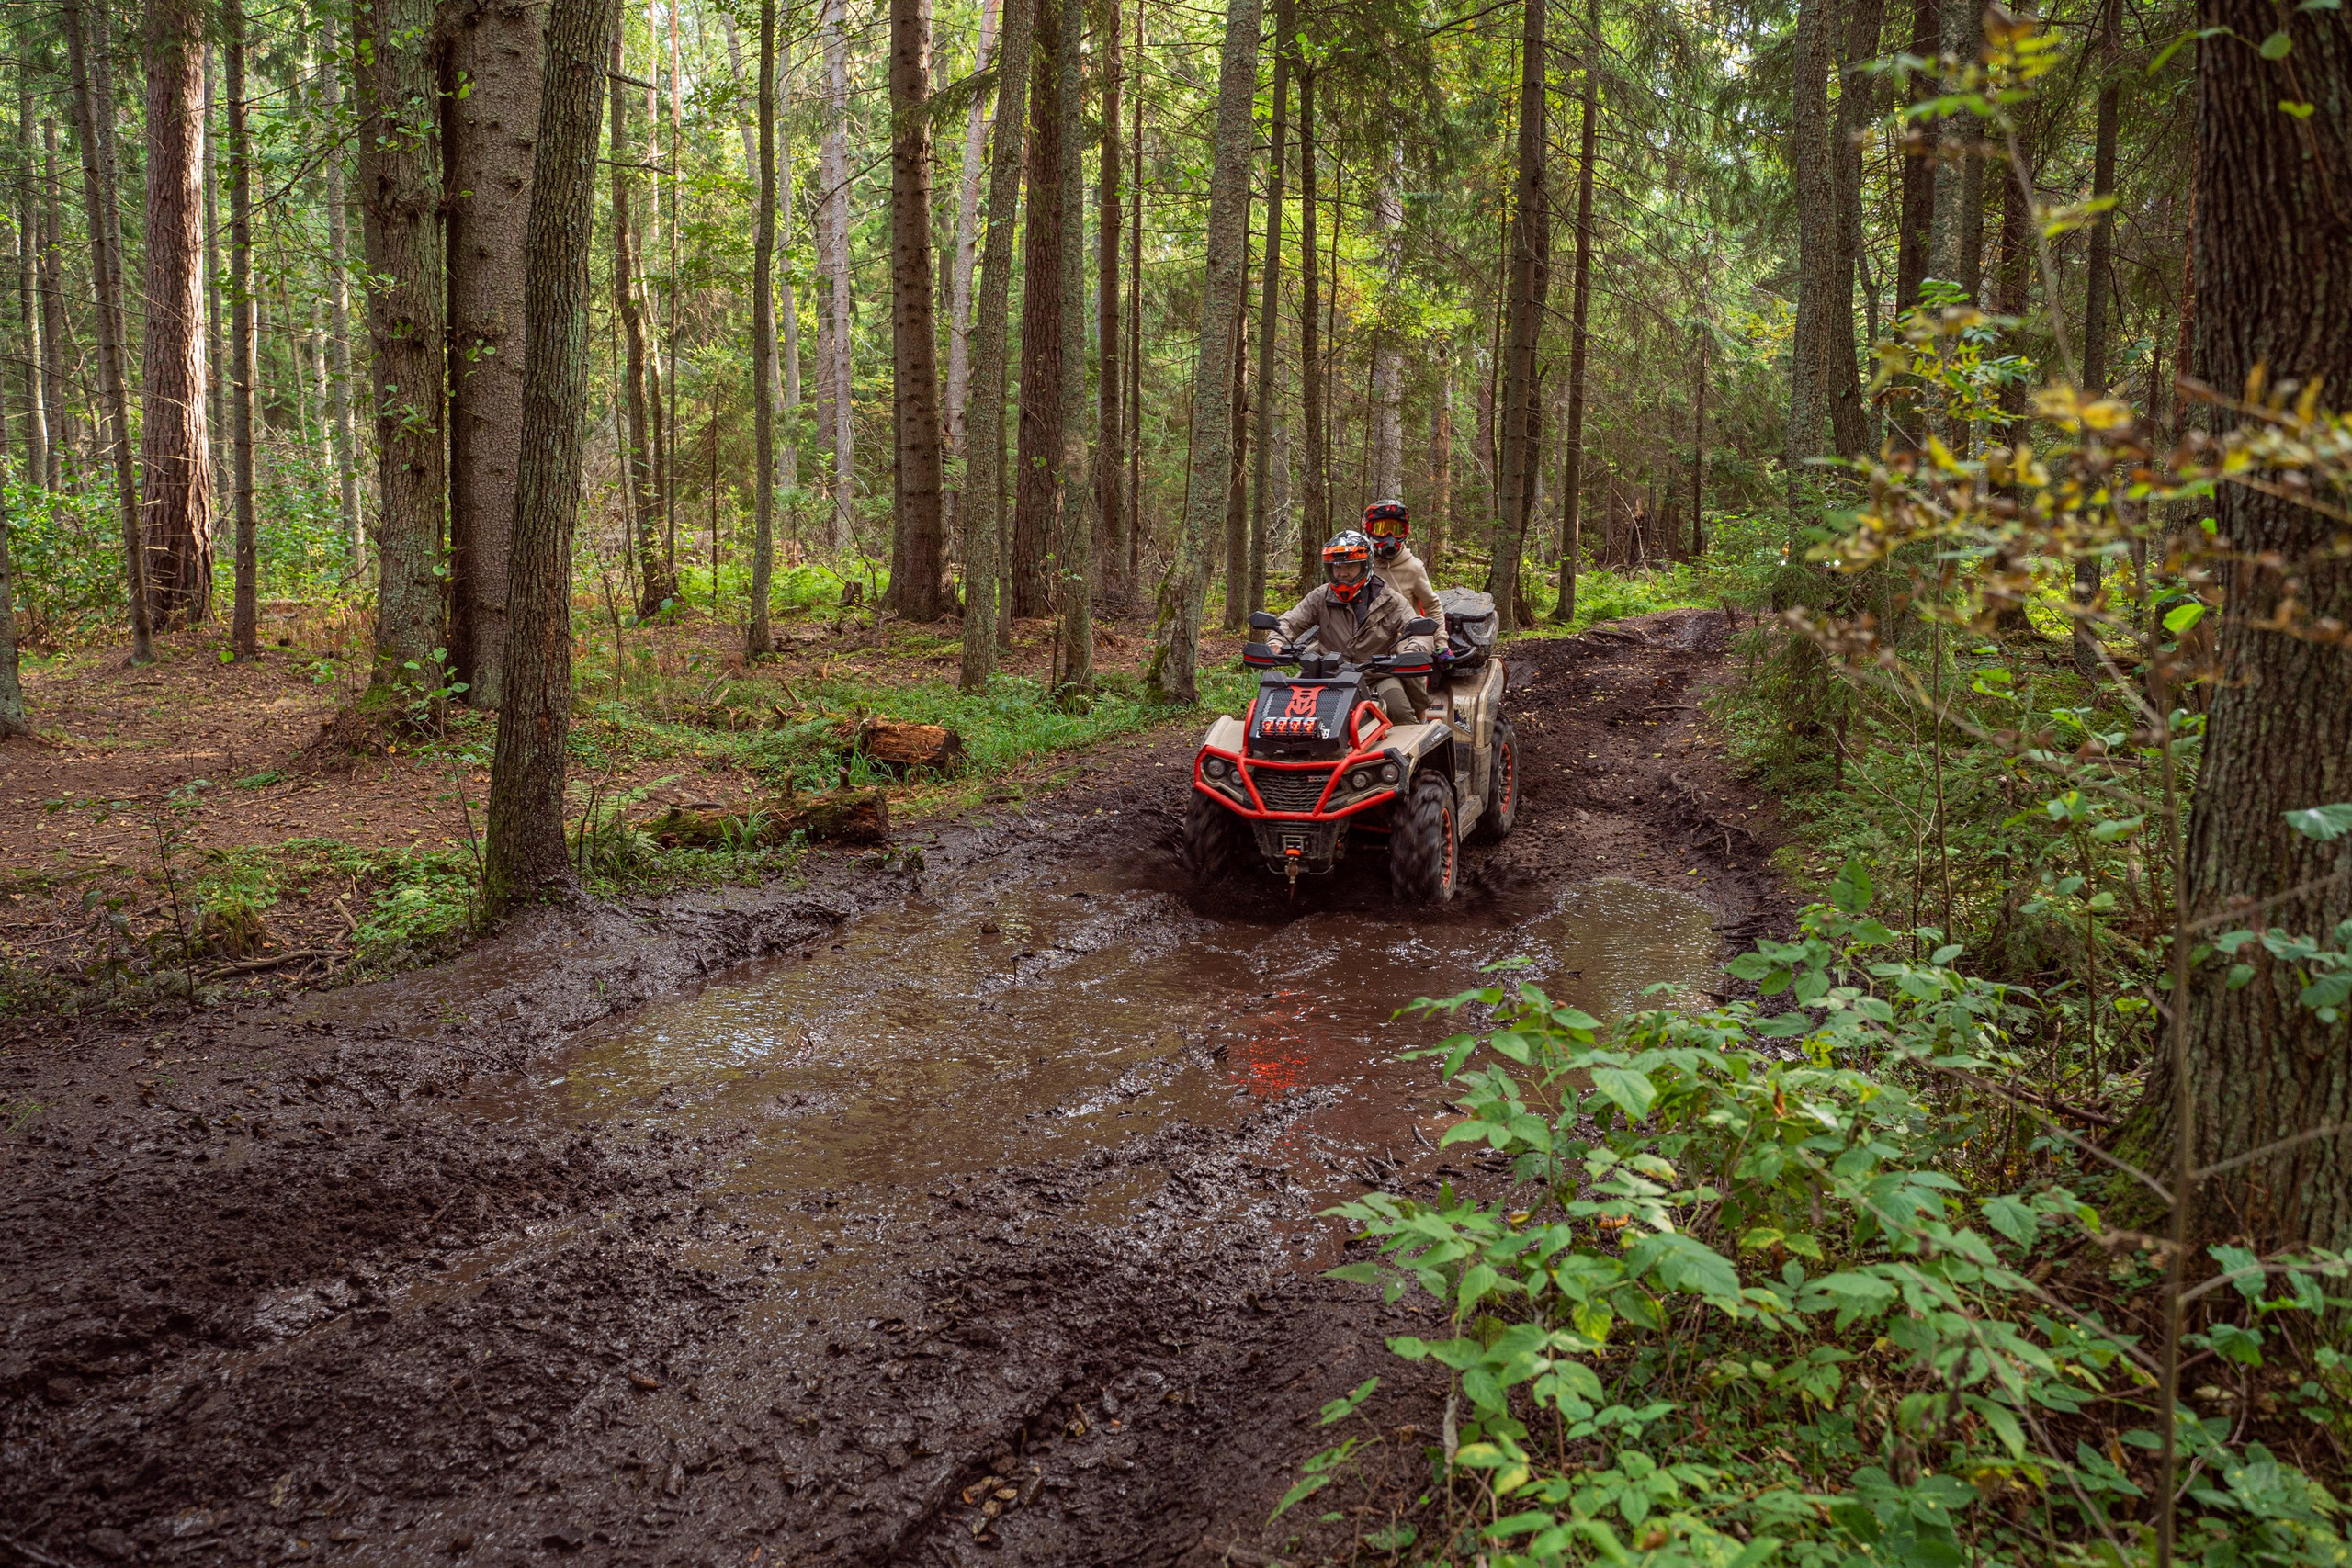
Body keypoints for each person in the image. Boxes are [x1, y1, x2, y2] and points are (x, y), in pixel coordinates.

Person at [1269, 531, 1434, 724]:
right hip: (1326, 673)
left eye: (1350, 566)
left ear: (1366, 566)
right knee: (1280, 707)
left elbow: (1419, 629)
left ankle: (1406, 753)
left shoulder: (1391, 600)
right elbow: (1290, 621)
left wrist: (1412, 651)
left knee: (1399, 711)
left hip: (1376, 675)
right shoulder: (1320, 596)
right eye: (1336, 567)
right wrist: (1276, 641)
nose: (1342, 573)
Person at [1363, 499, 1439, 619]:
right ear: (1367, 529)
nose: (1389, 536)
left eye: (1396, 530)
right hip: (1367, 636)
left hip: (1407, 636)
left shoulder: (1413, 567)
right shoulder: (1359, 565)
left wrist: (1439, 638)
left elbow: (1432, 606)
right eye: (1381, 529)